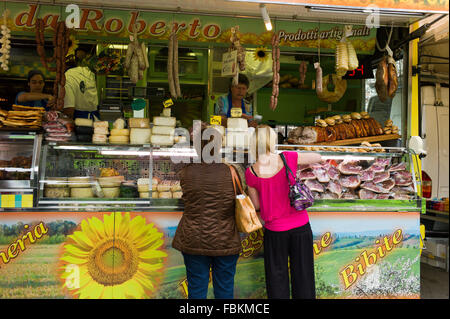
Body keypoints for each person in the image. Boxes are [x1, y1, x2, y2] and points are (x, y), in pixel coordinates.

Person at [245, 124, 322, 299]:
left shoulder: (251, 172)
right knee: (303, 276)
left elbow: (256, 205)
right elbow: (318, 156)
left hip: (275, 232)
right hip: (300, 227)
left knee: (276, 278)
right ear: (272, 141)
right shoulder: (287, 157)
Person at [172, 127, 242, 299]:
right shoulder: (232, 171)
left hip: (193, 238)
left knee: (196, 289)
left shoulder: (186, 171)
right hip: (225, 239)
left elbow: (187, 198)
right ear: (218, 146)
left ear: (196, 147)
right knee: (225, 289)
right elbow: (240, 198)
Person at [63, 45, 100, 119]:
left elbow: (69, 109)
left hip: (79, 121)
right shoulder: (89, 72)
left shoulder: (68, 76)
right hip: (94, 119)